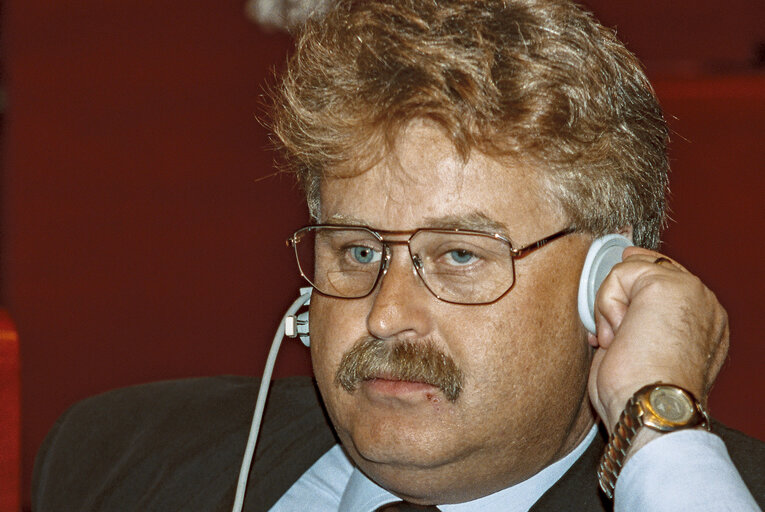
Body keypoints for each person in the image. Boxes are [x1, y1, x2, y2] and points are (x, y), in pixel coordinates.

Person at [33, 1, 764, 511]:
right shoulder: (116, 457)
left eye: (457, 256)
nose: (384, 316)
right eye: (356, 249)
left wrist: (658, 430)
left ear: (603, 289)